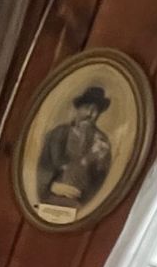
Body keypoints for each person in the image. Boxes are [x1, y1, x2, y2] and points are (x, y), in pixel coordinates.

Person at [36, 84, 114, 212]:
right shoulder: (57, 134)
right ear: (78, 109)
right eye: (87, 108)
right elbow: (42, 167)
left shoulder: (102, 143)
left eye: (96, 110)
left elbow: (100, 181)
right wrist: (50, 186)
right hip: (50, 199)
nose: (90, 114)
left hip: (79, 204)